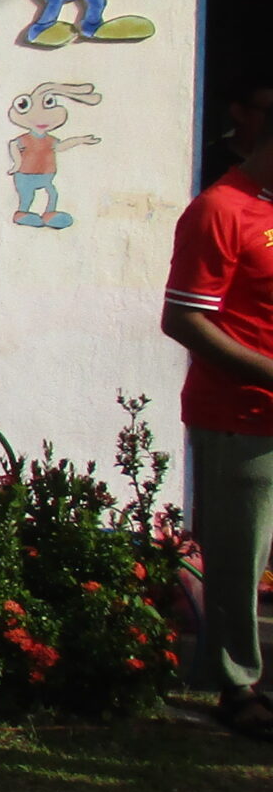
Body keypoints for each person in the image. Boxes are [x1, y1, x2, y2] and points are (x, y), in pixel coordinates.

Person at [161, 76, 273, 741]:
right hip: (241, 416)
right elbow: (185, 319)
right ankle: (237, 686)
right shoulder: (220, 210)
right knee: (238, 557)